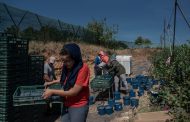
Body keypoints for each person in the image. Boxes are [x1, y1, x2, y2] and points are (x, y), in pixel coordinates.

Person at [42, 43, 90, 122]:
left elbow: (74, 92)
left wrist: (52, 91)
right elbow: (64, 79)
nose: (65, 64)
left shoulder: (83, 68)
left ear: (75, 58)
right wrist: (50, 83)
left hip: (78, 105)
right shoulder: (66, 67)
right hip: (66, 103)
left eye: (68, 61)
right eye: (63, 61)